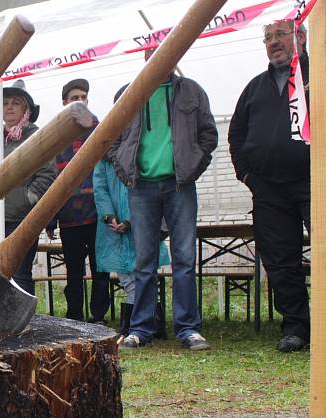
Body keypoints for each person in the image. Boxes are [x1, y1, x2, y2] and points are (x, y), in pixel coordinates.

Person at [112, 49, 218, 350]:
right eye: (153, 53)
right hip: (141, 188)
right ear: (145, 57)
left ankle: (188, 329)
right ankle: (141, 328)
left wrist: (191, 169)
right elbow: (112, 138)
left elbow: (209, 134)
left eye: (165, 52)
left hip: (179, 185)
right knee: (144, 260)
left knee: (184, 258)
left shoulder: (191, 90)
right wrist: (125, 172)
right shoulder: (128, 93)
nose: (158, 58)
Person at [229, 21, 310, 352]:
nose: (274, 43)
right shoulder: (254, 88)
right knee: (280, 260)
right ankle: (296, 328)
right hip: (269, 190)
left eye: (281, 36)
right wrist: (247, 176)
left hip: (315, 183)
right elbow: (236, 135)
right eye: (268, 38)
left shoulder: (320, 77)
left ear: (300, 38)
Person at [0, 80, 55, 295]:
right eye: (5, 103)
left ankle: (25, 322)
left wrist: (26, 198)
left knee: (19, 273)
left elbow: (48, 173)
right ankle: (0, 321)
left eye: (15, 103)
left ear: (26, 110)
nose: (9, 107)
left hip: (21, 219)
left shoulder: (36, 137)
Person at [48, 78, 110, 323]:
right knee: (74, 272)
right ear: (65, 102)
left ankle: (99, 315)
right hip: (69, 218)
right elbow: (51, 180)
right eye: (75, 98)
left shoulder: (100, 130)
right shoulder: (56, 136)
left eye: (83, 97)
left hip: (97, 215)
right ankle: (74, 314)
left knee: (100, 269)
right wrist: (51, 220)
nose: (80, 101)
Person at [93, 151, 170, 336]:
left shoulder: (138, 154)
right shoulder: (102, 162)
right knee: (128, 279)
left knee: (145, 275)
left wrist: (129, 220)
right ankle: (145, 325)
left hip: (141, 224)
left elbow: (140, 192)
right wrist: (109, 216)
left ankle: (136, 326)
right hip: (113, 231)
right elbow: (100, 189)